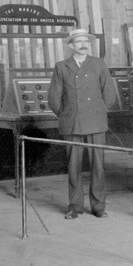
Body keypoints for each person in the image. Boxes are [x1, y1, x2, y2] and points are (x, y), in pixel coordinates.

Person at [47, 29, 120, 218]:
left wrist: (98, 111)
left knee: (98, 167)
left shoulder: (98, 64)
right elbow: (54, 99)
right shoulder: (62, 67)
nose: (82, 44)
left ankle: (98, 207)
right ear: (71, 45)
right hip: (72, 122)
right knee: (74, 167)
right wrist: (66, 114)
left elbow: (110, 94)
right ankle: (75, 206)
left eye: (85, 41)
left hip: (95, 122)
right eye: (78, 41)